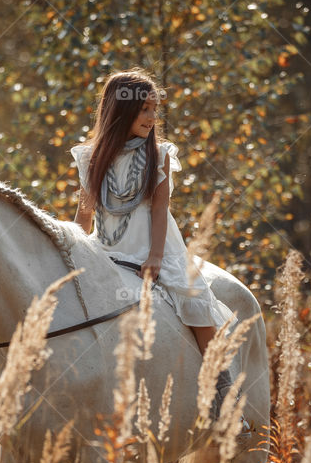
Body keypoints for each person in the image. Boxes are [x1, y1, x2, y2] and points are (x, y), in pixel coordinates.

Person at [70, 68, 244, 427]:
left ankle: (223, 401)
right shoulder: (91, 157)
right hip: (105, 247)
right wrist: (70, 251)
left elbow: (160, 208)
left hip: (153, 245)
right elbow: (85, 213)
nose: (152, 118)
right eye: (145, 110)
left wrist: (155, 256)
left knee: (196, 303)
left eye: (154, 109)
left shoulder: (160, 154)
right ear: (121, 111)